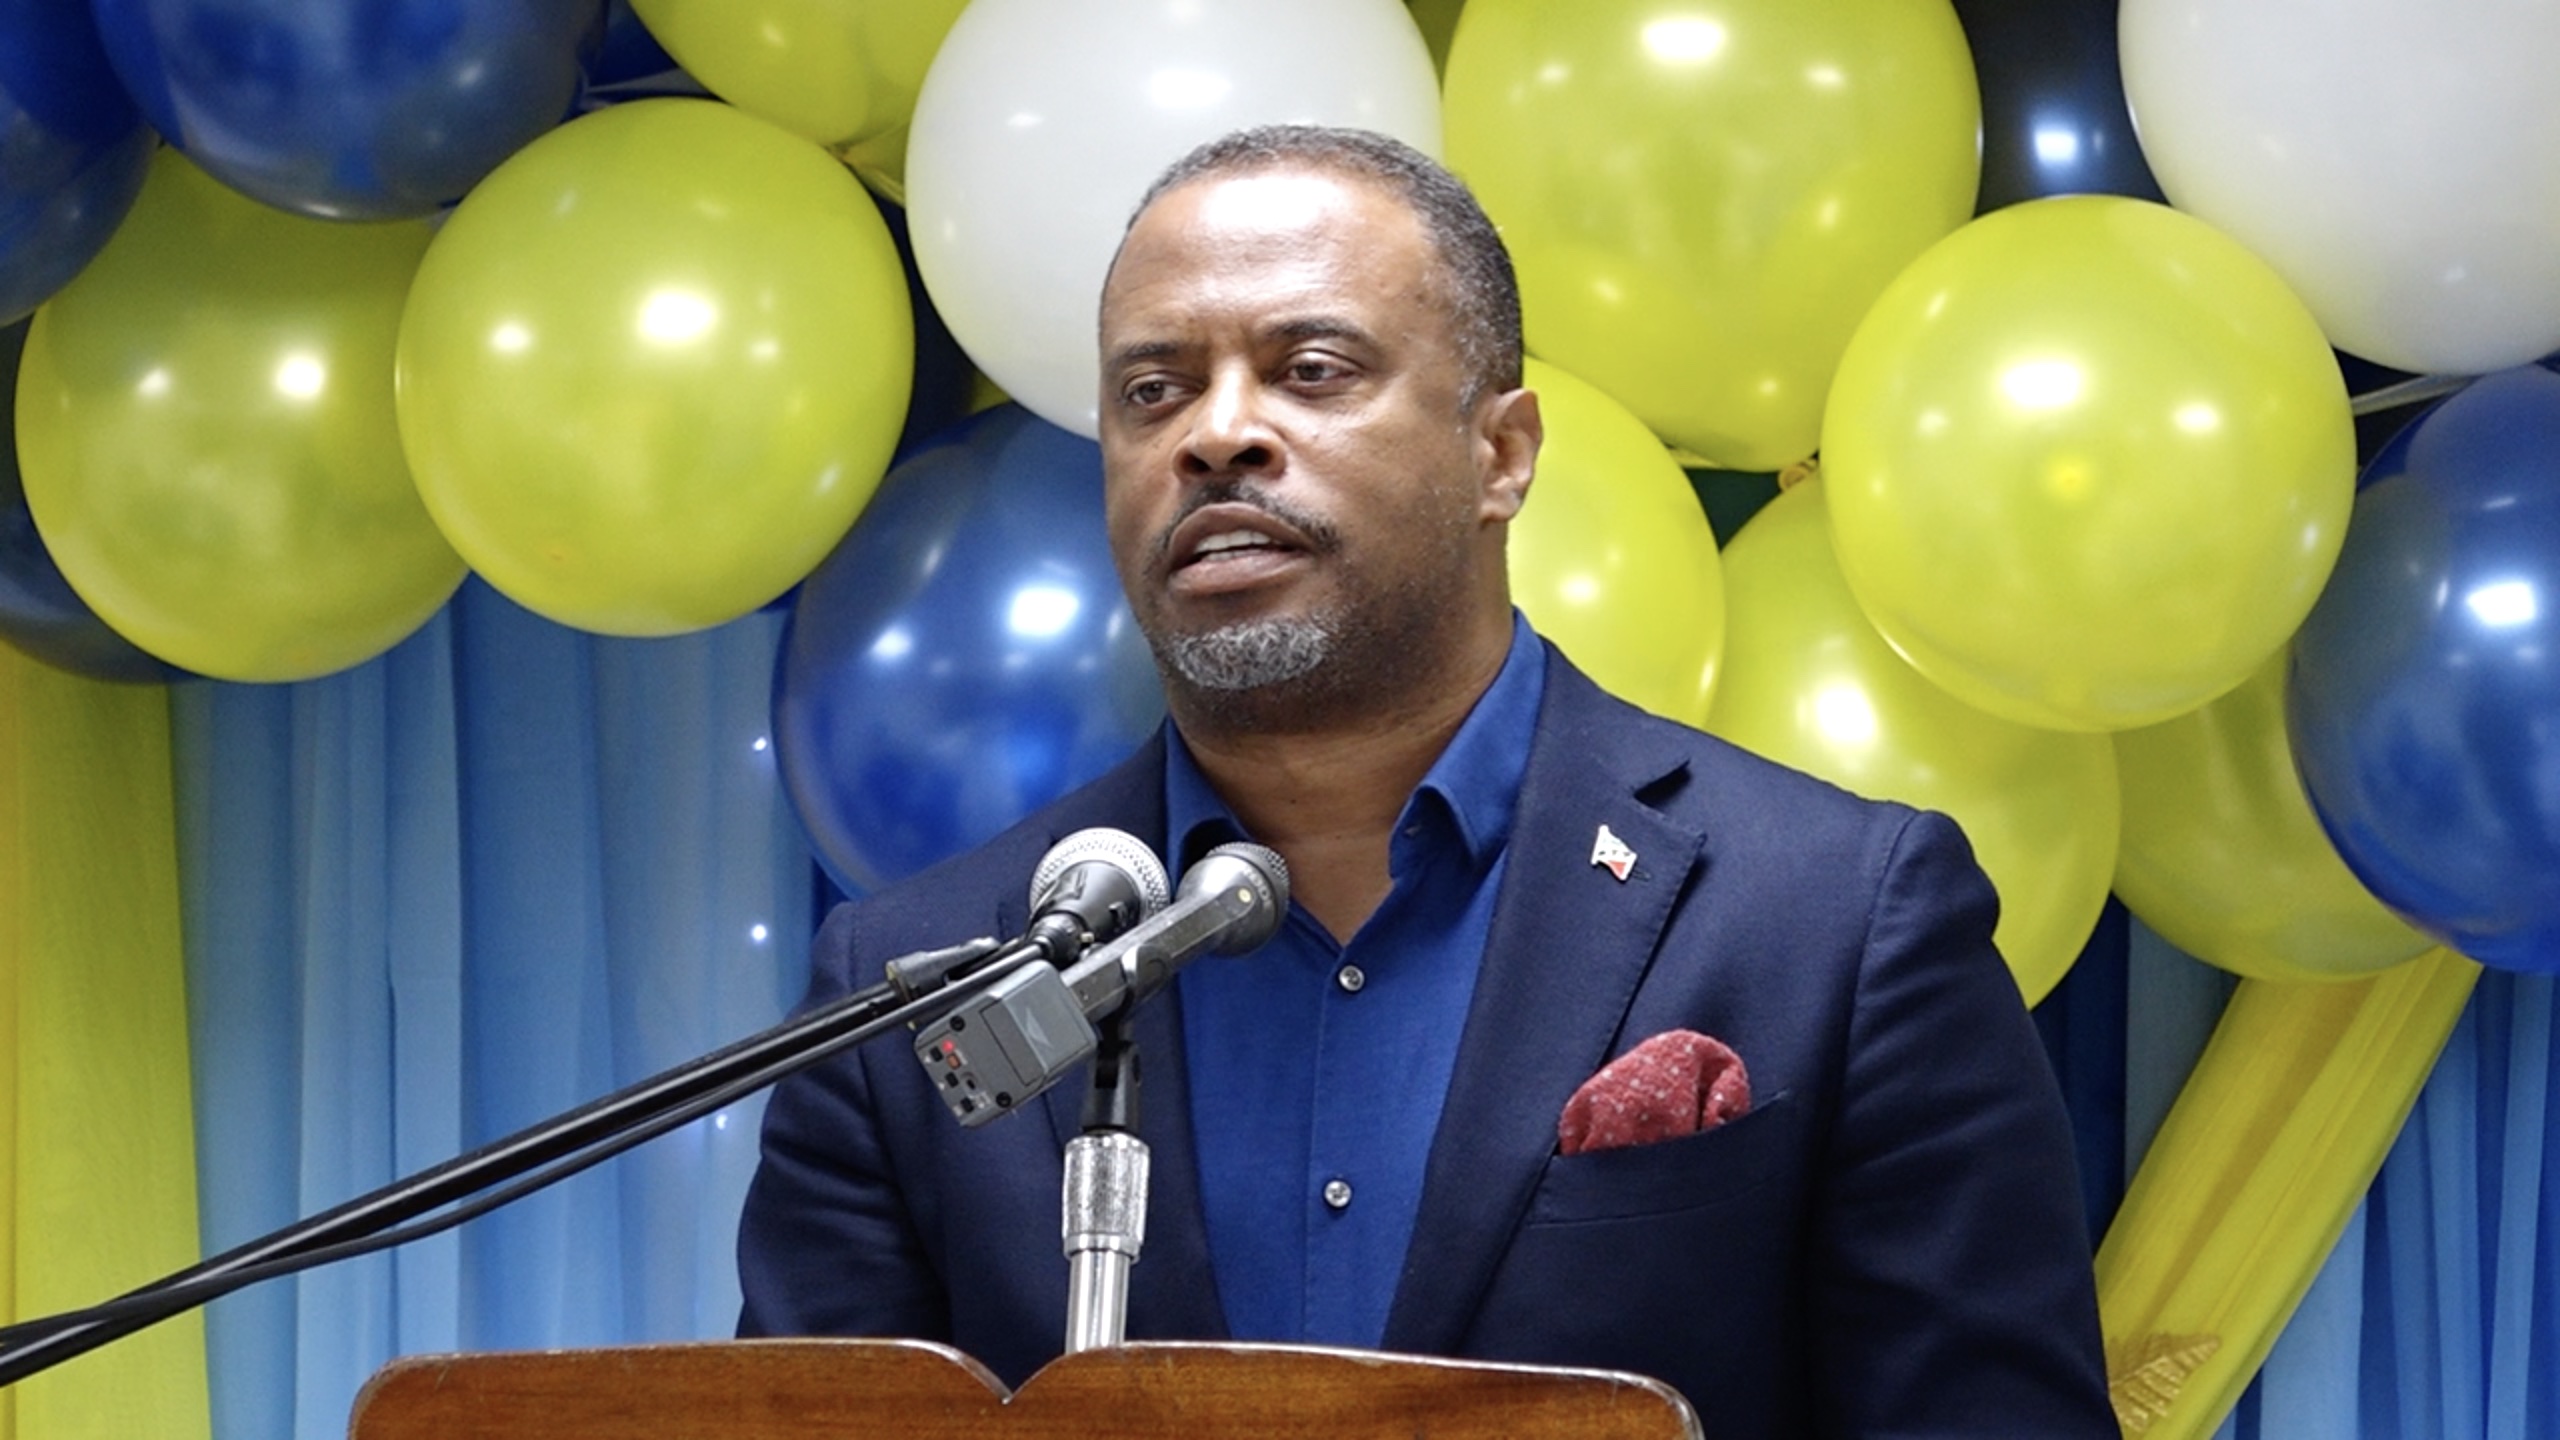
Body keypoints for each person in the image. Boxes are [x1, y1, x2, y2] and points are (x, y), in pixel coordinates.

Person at [738, 124, 2117, 1437]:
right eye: (1153, 391)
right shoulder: (919, 987)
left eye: (1313, 370)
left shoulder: (1831, 922)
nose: (1216, 435)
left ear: (1500, 454)